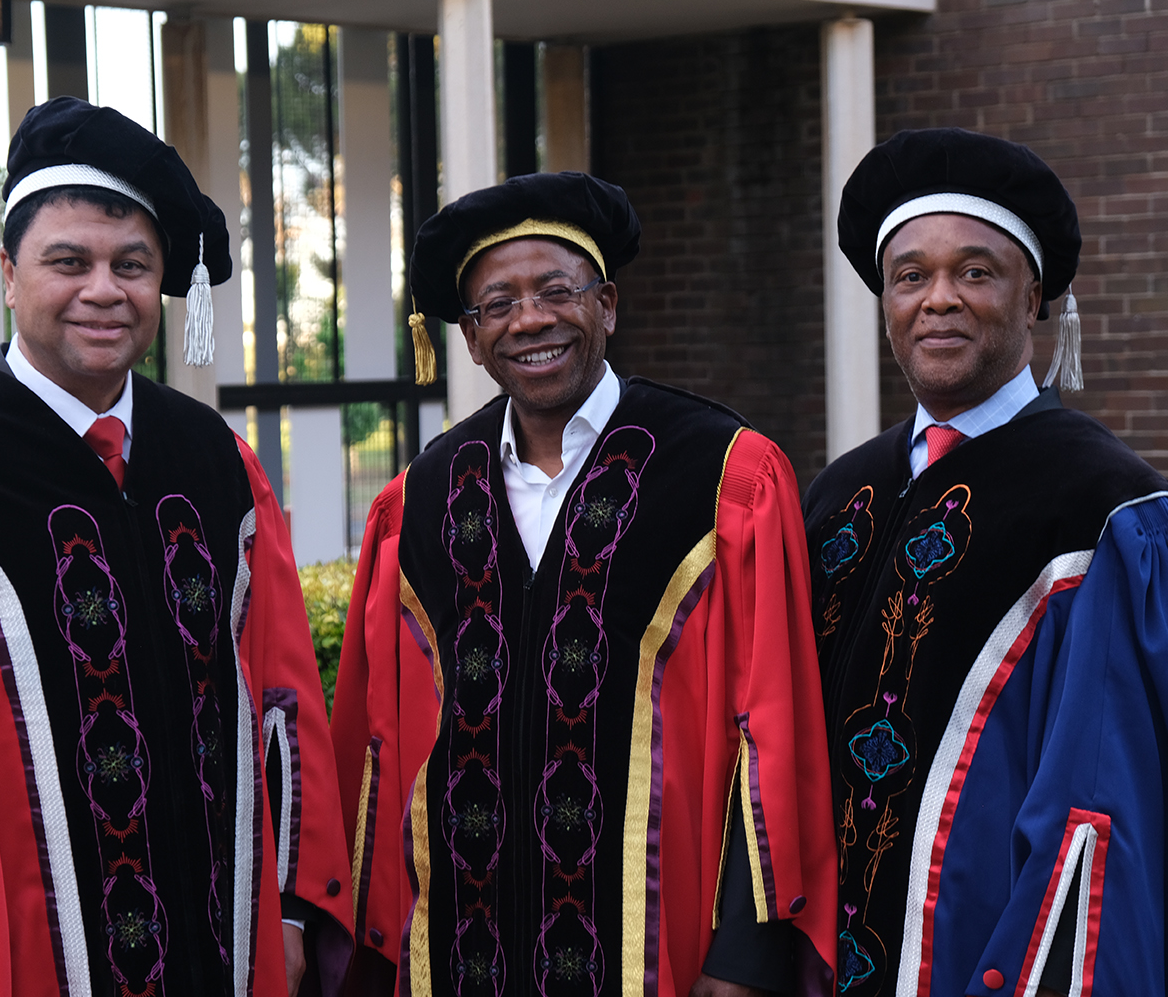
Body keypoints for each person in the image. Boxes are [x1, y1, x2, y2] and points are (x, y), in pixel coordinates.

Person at [0, 98, 353, 997]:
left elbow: (281, 699)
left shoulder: (215, 463)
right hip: (20, 963)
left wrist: (291, 912)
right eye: (70, 262)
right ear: (12, 274)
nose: (105, 290)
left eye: (132, 265)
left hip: (226, 950)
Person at [329, 171, 838, 996]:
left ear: (606, 304)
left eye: (555, 290)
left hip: (660, 952)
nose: (529, 320)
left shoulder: (722, 476)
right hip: (461, 952)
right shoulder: (420, 500)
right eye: (496, 304)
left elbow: (773, 730)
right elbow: (379, 744)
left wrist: (742, 956)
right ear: (468, 336)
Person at [806, 127, 1168, 996]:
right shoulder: (839, 497)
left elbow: (1110, 819)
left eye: (975, 272)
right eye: (911, 276)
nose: (938, 299)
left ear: (1035, 300)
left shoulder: (1109, 517)